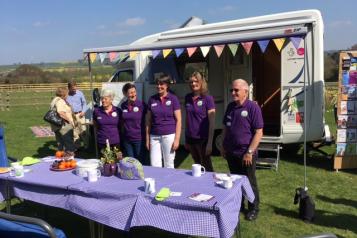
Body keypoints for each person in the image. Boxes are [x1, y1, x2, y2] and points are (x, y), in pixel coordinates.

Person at [221, 79, 263, 221]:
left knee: (249, 182)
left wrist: (249, 152)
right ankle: (239, 205)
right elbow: (226, 128)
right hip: (231, 153)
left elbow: (259, 132)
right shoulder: (230, 107)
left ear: (245, 92)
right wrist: (223, 146)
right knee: (235, 181)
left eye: (236, 90)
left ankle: (254, 208)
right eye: (231, 90)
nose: (233, 93)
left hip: (246, 154)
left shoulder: (253, 108)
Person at [146, 74, 181, 168]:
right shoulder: (152, 99)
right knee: (154, 165)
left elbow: (179, 120)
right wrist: (147, 138)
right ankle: (158, 183)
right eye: (157, 84)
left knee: (168, 164)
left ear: (167, 85)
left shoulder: (173, 99)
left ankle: (169, 183)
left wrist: (177, 139)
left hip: (169, 135)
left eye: (161, 84)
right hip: (154, 136)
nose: (158, 86)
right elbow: (148, 121)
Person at [184, 71, 215, 171]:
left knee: (207, 168)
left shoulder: (208, 98)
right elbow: (187, 119)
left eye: (196, 81)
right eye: (191, 82)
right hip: (191, 139)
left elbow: (212, 122)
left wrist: (210, 143)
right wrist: (186, 138)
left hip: (203, 139)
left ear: (202, 82)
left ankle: (211, 186)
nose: (193, 84)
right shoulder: (188, 97)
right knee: (197, 166)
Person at [121, 83, 147, 164]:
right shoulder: (123, 105)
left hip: (139, 138)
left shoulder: (142, 105)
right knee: (130, 162)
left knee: (140, 162)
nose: (133, 94)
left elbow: (149, 120)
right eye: (131, 92)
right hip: (127, 139)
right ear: (125, 94)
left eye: (134, 92)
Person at [50, 87, 76, 153]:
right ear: (63, 94)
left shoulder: (54, 100)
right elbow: (60, 112)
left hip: (56, 126)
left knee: (60, 144)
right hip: (64, 126)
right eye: (67, 94)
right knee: (69, 145)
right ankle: (70, 159)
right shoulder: (60, 101)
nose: (68, 95)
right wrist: (69, 120)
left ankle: (61, 160)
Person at [66, 81, 87, 148]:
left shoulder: (80, 93)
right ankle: (77, 147)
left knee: (83, 131)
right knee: (74, 132)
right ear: (69, 88)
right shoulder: (66, 95)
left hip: (80, 114)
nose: (75, 90)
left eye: (75, 88)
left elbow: (84, 103)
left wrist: (83, 111)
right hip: (71, 116)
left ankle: (86, 146)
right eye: (73, 89)